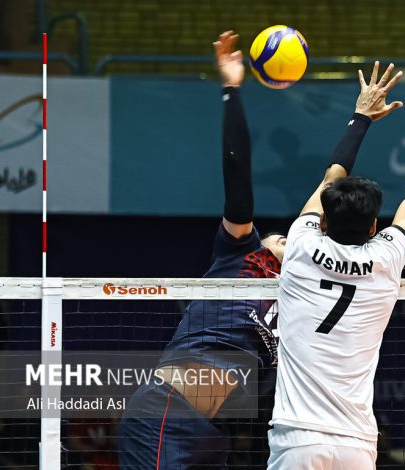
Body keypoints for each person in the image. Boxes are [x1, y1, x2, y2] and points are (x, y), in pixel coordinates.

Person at [267, 65, 405, 469]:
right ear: (373, 227)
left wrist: (361, 116)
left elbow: (331, 177)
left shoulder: (300, 244)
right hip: (356, 442)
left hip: (298, 437)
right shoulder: (386, 257)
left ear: (324, 221)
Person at [117, 31, 287, 469]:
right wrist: (232, 88)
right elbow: (238, 177)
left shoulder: (298, 298)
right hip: (166, 414)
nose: (286, 239)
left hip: (212, 437)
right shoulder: (242, 254)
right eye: (280, 237)